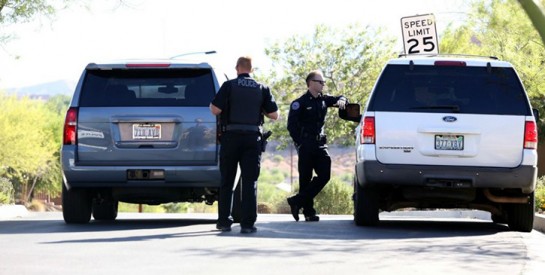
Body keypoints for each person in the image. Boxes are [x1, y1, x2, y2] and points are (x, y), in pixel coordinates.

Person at [210, 56, 279, 233]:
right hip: (252, 140)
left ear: (237, 68)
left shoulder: (229, 86)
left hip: (231, 138)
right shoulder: (262, 88)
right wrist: (260, 107)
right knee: (250, 182)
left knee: (227, 180)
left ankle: (224, 221)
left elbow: (215, 110)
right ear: (252, 69)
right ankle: (247, 225)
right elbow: (274, 115)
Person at [286, 70, 347, 222]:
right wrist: (300, 143)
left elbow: (340, 97)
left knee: (325, 175)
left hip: (320, 144)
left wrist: (343, 100)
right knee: (305, 178)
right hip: (306, 144)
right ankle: (309, 212)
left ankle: (296, 201)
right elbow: (291, 126)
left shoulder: (324, 100)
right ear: (311, 83)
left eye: (323, 82)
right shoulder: (299, 103)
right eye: (320, 82)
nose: (323, 85)